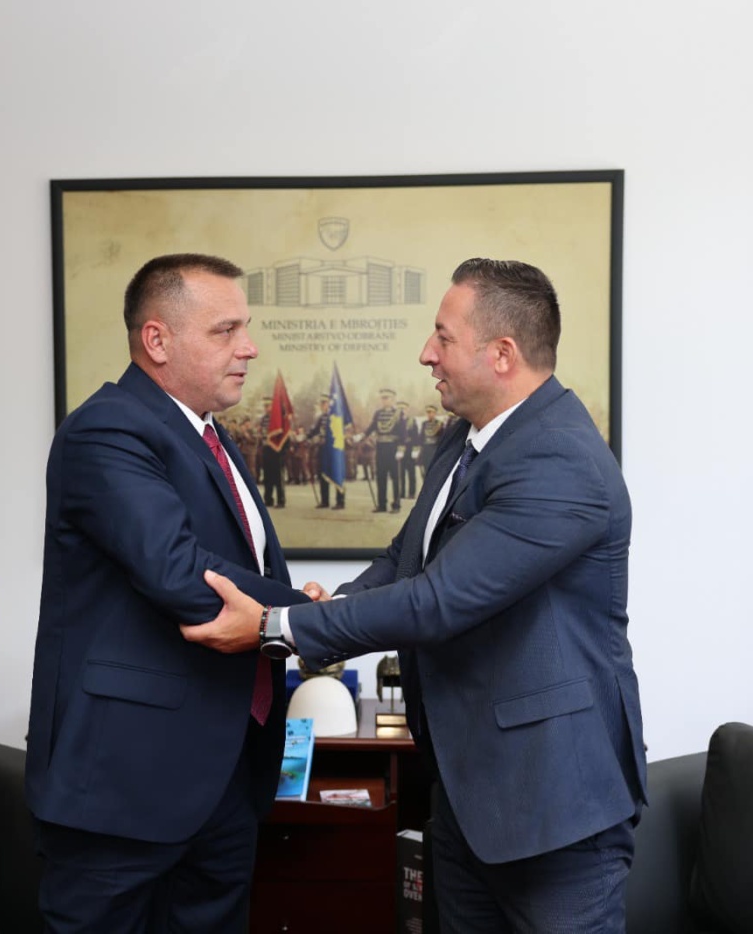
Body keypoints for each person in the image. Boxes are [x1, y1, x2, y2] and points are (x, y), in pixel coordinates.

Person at [183, 258, 646, 934]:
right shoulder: (465, 440)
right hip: (466, 793)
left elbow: (439, 601)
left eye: (443, 338)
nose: (427, 353)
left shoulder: (561, 459)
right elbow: (405, 561)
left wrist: (277, 627)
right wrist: (320, 610)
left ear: (502, 354)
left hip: (554, 804)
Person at [26, 253, 311, 933]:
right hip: (124, 783)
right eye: (225, 330)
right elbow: (178, 571)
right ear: (157, 340)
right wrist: (310, 615)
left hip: (222, 774)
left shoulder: (209, 436)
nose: (249, 347)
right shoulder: (107, 428)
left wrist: (294, 606)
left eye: (245, 328)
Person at [359, 387, 404, 512]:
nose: (384, 400)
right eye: (382, 398)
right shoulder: (378, 413)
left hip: (393, 448)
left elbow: (403, 433)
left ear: (392, 399)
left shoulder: (398, 413)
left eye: (386, 398)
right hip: (381, 448)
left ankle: (396, 505)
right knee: (381, 476)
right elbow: (372, 426)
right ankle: (382, 504)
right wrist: (363, 435)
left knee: (395, 477)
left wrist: (401, 449)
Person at [307, 396, 345, 510]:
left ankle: (340, 501)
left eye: (325, 403)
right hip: (323, 449)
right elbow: (314, 430)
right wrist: (306, 437)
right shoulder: (321, 417)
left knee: (336, 473)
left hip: (334, 449)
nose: (323, 405)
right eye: (322, 403)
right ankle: (324, 500)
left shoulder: (336, 416)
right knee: (322, 474)